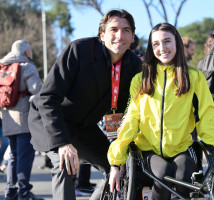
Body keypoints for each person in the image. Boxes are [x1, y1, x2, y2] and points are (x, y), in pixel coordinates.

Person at [108, 22, 214, 200]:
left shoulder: (194, 77)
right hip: (148, 149)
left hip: (182, 147)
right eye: (156, 44)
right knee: (163, 175)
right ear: (151, 49)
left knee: (184, 177)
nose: (162, 48)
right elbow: (131, 119)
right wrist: (116, 162)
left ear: (176, 43)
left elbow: (207, 119)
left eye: (167, 41)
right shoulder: (140, 79)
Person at [28, 9, 142, 200]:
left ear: (132, 36)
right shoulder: (79, 50)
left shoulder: (133, 65)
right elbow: (48, 98)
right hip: (51, 119)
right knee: (66, 164)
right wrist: (63, 143)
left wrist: (118, 148)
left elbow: (120, 113)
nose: (119, 35)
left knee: (116, 165)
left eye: (126, 30)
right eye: (113, 29)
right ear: (102, 34)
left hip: (84, 126)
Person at [0, 40, 43, 200]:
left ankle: (10, 191)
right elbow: (37, 90)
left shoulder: (3, 66)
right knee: (25, 155)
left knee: (13, 155)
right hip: (24, 119)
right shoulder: (27, 66)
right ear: (26, 51)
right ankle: (24, 192)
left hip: (7, 117)